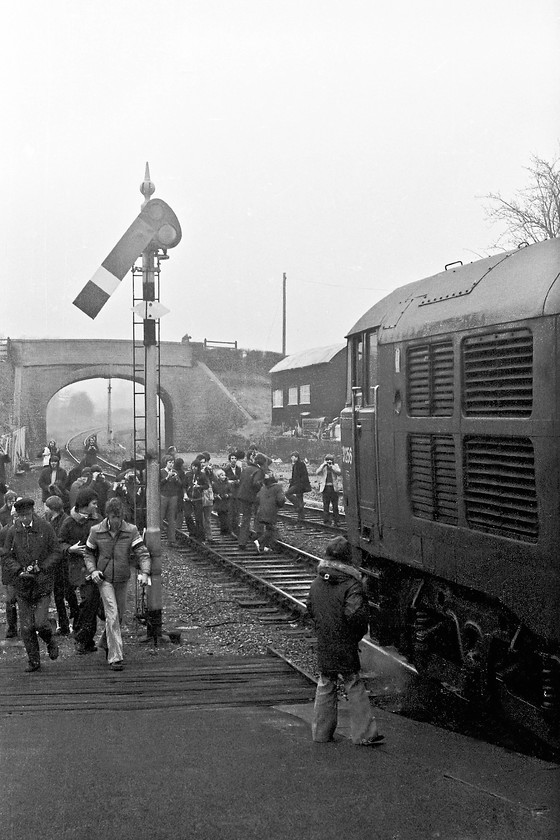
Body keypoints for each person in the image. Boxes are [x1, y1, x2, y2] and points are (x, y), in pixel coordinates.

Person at [306, 536, 384, 746]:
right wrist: (355, 635)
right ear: (347, 559)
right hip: (345, 640)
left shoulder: (316, 583)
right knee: (353, 683)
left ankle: (321, 734)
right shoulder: (351, 585)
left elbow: (310, 610)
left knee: (325, 682)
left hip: (325, 639)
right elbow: (355, 616)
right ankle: (364, 734)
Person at [84, 496, 151, 671]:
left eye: (120, 517)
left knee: (119, 615)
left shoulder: (131, 531)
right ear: (108, 515)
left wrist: (145, 572)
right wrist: (93, 571)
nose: (117, 521)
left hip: (122, 578)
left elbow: (142, 552)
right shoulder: (96, 531)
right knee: (112, 614)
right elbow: (88, 553)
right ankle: (115, 657)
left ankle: (105, 642)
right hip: (104, 578)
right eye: (114, 517)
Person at [2, 497, 61, 672]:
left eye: (27, 515)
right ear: (17, 516)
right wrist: (19, 570)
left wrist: (42, 568)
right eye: (21, 516)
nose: (25, 519)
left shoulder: (45, 528)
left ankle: (50, 641)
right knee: (26, 627)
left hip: (41, 583)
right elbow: (6, 556)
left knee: (41, 623)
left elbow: (56, 552)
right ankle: (34, 660)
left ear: (33, 513)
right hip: (22, 584)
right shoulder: (13, 532)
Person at [58, 487, 103, 654]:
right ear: (85, 504)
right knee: (89, 600)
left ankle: (85, 639)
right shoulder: (69, 522)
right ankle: (81, 636)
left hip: (95, 566)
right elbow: (59, 543)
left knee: (90, 601)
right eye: (94, 503)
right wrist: (70, 549)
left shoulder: (98, 520)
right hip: (77, 567)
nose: (96, 507)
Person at [44, 495, 78, 636]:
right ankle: (64, 625)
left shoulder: (66, 521)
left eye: (46, 506)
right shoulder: (50, 520)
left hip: (66, 564)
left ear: (52, 508)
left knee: (69, 594)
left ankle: (77, 621)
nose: (45, 509)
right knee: (58, 596)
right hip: (56, 565)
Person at [237, 453, 267, 549]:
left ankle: (242, 542)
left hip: (242, 496)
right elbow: (256, 483)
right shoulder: (259, 471)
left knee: (245, 519)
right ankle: (258, 540)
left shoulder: (247, 468)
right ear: (262, 463)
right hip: (252, 498)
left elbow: (241, 480)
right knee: (258, 518)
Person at [0, 491, 19, 638]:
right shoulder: (5, 531)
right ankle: (12, 627)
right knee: (10, 600)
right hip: (9, 570)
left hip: (23, 568)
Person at [254, 472, 285, 553]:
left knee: (269, 528)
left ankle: (264, 547)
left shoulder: (263, 488)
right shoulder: (278, 487)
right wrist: (280, 505)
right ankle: (259, 541)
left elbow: (257, 498)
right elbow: (281, 500)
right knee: (271, 529)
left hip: (261, 511)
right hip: (271, 512)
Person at [285, 451, 311, 527]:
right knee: (299, 499)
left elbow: (304, 475)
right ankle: (301, 519)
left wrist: (300, 485)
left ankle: (299, 506)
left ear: (296, 457)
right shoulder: (295, 465)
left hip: (300, 485)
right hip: (297, 485)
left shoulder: (301, 464)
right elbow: (293, 477)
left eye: (293, 457)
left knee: (287, 493)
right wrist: (291, 485)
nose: (291, 458)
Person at [160, 455, 181, 547]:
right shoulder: (161, 472)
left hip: (173, 496)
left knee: (172, 518)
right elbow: (159, 484)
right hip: (164, 496)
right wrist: (167, 477)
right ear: (166, 463)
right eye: (170, 462)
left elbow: (180, 484)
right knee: (160, 516)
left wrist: (176, 478)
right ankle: (158, 538)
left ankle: (172, 540)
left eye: (173, 462)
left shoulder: (175, 472)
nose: (171, 464)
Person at [315, 454, 342, 525]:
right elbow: (317, 472)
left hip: (333, 488)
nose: (329, 462)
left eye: (330, 461)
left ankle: (336, 521)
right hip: (325, 488)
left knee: (335, 506)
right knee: (326, 505)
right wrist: (323, 465)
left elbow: (339, 472)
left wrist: (332, 467)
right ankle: (326, 520)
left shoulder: (335, 466)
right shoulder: (323, 466)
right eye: (327, 461)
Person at [224, 451, 242, 535]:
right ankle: (230, 529)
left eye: (235, 458)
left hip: (237, 492)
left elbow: (240, 479)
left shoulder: (239, 469)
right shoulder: (226, 469)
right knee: (230, 511)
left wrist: (236, 481)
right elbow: (225, 480)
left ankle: (236, 528)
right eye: (232, 458)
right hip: (230, 492)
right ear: (229, 460)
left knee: (237, 511)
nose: (233, 460)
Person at [212, 469, 232, 535]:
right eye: (222, 475)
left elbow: (231, 493)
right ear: (218, 476)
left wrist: (228, 495)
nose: (224, 477)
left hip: (226, 503)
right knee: (222, 517)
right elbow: (213, 493)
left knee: (227, 517)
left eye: (224, 475)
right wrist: (216, 496)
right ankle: (223, 531)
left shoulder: (228, 484)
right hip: (219, 503)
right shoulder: (215, 484)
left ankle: (226, 531)